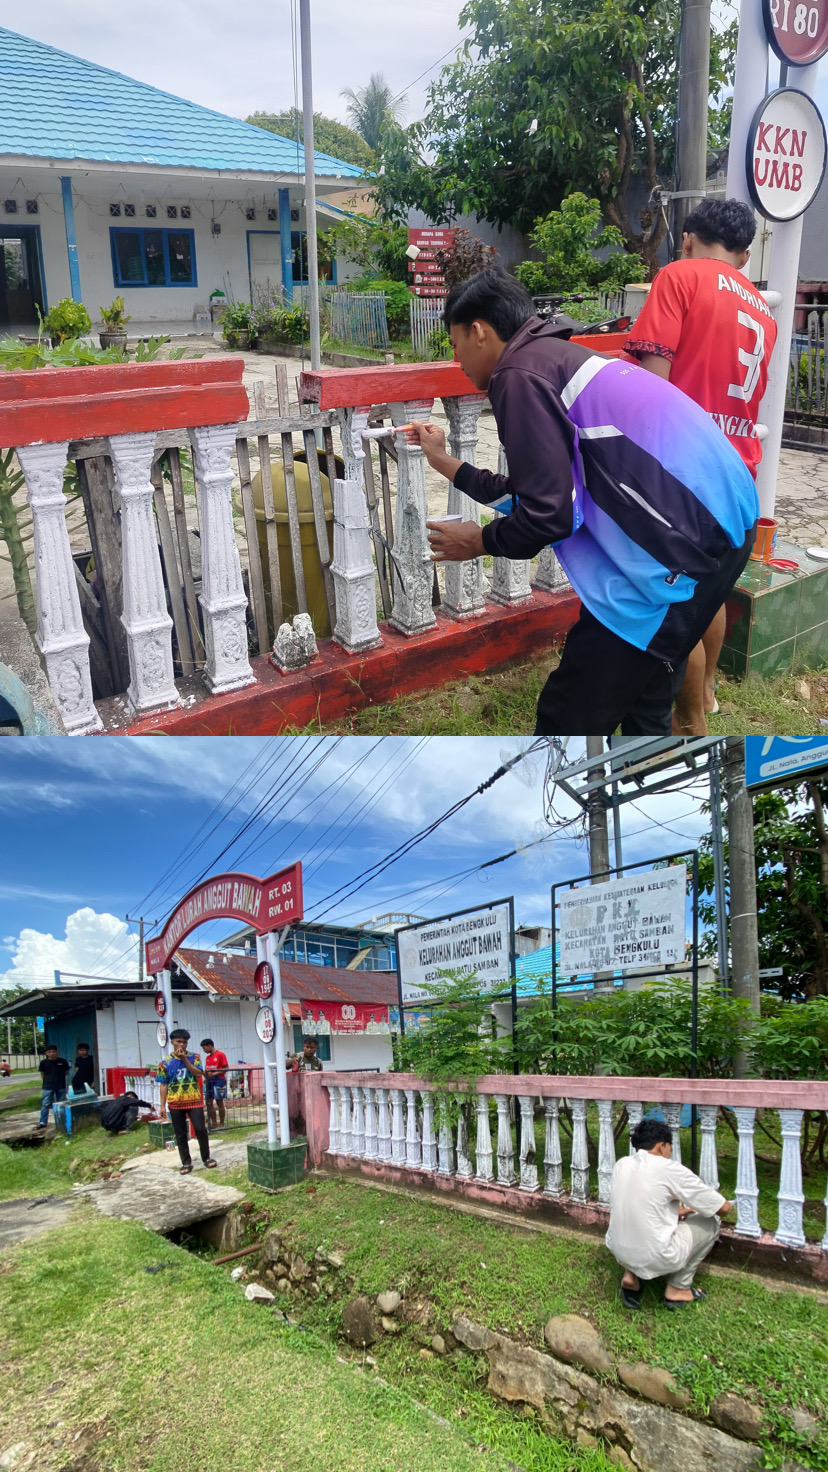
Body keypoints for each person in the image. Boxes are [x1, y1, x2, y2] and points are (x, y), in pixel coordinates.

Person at [408, 267, 758, 736]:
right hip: (728, 526)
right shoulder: (557, 359)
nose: (457, 361)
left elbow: (548, 517)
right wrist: (444, 461)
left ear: (479, 330)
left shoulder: (517, 374)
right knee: (647, 696)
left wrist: (480, 542)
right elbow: (539, 493)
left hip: (684, 549)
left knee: (569, 714)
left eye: (454, 345)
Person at [624, 198, 778, 735]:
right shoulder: (762, 310)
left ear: (687, 237)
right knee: (707, 593)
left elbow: (653, 383)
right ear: (744, 252)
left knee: (672, 613)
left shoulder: (679, 277)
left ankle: (688, 721)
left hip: (683, 478)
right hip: (736, 478)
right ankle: (708, 688)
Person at [606, 1116, 733, 1309]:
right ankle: (678, 1288)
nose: (670, 1152)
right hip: (655, 1254)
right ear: (661, 1146)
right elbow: (722, 1208)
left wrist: (681, 1210)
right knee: (711, 1222)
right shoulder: (669, 1169)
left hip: (618, 1249)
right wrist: (729, 1205)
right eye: (669, 1147)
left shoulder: (621, 1164)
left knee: (635, 1217)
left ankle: (630, 1275)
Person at [155, 1028, 217, 1174]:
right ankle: (186, 1162)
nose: (181, 1045)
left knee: (201, 1129)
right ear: (172, 1042)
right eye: (178, 1042)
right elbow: (163, 1084)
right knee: (180, 1133)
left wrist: (184, 1059)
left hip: (194, 1100)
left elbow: (198, 1073)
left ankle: (206, 1157)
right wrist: (162, 1105)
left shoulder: (194, 1057)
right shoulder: (165, 1063)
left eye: (184, 1042)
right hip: (175, 1102)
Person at [35, 1044, 70, 1131]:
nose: (52, 1053)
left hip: (60, 1086)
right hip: (48, 1086)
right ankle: (43, 1122)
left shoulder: (62, 1061)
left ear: (57, 1052)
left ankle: (61, 1121)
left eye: (54, 1052)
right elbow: (42, 1074)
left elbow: (66, 1072)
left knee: (61, 1104)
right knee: (45, 1104)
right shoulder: (43, 1062)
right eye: (49, 1052)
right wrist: (48, 1081)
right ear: (46, 1053)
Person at [201, 1037, 229, 1129]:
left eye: (204, 1048)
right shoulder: (208, 1058)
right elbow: (207, 1069)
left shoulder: (221, 1055)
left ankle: (222, 1122)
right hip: (209, 1081)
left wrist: (214, 1074)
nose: (204, 1050)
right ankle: (213, 1122)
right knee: (209, 1102)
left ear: (210, 1046)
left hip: (219, 1080)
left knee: (219, 1101)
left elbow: (225, 1068)